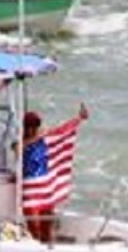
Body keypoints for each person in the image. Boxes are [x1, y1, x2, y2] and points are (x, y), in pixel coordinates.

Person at [20, 104, 89, 243]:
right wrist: (39, 136)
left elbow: (63, 131)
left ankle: (46, 249)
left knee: (46, 227)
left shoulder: (45, 138)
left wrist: (78, 119)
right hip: (30, 191)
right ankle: (36, 250)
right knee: (33, 226)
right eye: (29, 126)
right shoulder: (21, 141)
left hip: (46, 187)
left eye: (35, 126)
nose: (32, 129)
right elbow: (17, 148)